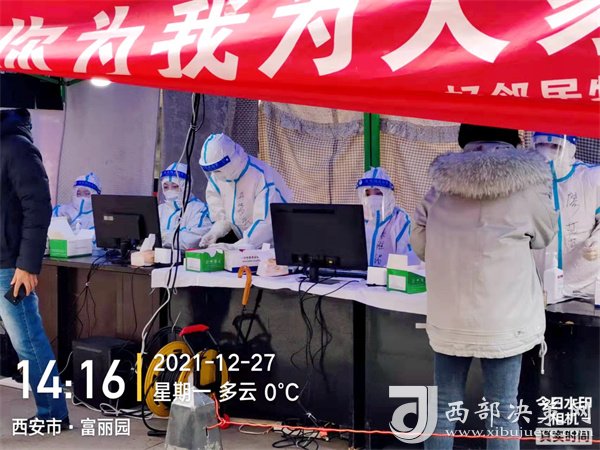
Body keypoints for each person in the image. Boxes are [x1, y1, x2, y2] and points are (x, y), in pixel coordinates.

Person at [411, 124, 557, 450]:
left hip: (449, 317)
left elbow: (420, 243)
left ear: (464, 139)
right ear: (512, 139)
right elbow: (545, 236)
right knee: (503, 412)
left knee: (443, 409)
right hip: (506, 320)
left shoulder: (440, 187)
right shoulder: (528, 185)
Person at [0, 109, 70, 429]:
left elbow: (38, 206)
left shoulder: (17, 147)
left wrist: (27, 265)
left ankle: (53, 413)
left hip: (9, 267)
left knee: (28, 341)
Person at [533, 132, 599, 297]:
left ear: (571, 148)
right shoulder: (524, 182)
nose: (546, 154)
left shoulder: (591, 178)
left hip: (587, 287)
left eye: (555, 146)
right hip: (538, 287)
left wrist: (598, 241)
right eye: (540, 145)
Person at [198, 133, 293, 249]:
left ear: (230, 161)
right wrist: (215, 231)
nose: (215, 175)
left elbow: (266, 222)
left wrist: (239, 246)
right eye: (212, 171)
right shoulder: (217, 178)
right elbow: (221, 215)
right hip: (246, 245)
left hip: (278, 244)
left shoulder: (261, 175)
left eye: (218, 170)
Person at [356, 167, 412, 267]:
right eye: (368, 193)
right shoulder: (356, 220)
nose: (372, 198)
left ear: (388, 194)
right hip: (358, 276)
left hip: (389, 276)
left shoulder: (400, 220)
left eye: (378, 193)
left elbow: (407, 259)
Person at [158, 161, 212, 250]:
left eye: (175, 186)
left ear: (186, 186)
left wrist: (162, 237)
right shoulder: (160, 209)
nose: (170, 191)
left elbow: (190, 242)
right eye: (166, 187)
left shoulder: (200, 209)